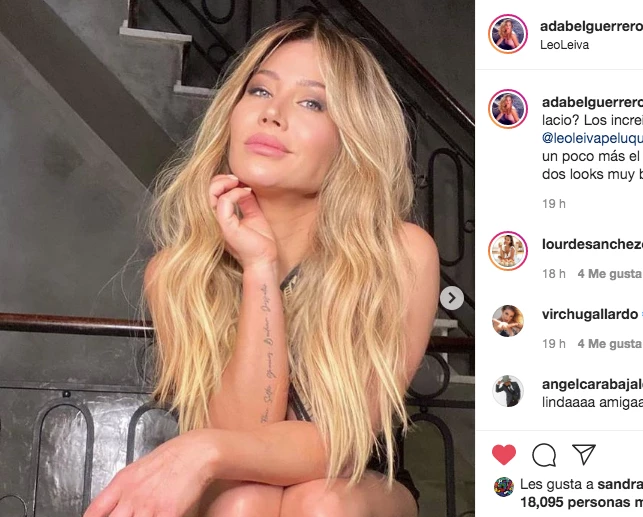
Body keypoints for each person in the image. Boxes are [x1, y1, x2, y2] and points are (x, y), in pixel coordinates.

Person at [84, 14, 440, 517]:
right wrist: (259, 267)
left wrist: (202, 448)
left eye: (312, 102)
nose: (273, 113)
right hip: (239, 488)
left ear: (351, 137)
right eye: (259, 91)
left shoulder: (398, 254)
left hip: (359, 485)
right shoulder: (177, 272)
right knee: (244, 500)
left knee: (321, 503)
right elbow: (245, 435)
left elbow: (343, 443)